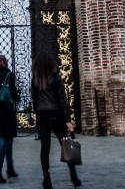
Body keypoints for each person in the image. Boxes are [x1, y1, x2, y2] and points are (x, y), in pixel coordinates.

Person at [31, 51, 81, 188]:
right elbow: (62, 100)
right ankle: (73, 176)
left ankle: (46, 178)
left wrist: (38, 113)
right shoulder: (56, 77)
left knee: (45, 148)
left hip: (42, 116)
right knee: (66, 145)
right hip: (56, 115)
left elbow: (34, 99)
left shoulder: (35, 79)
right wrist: (68, 120)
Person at [0, 54, 20, 184]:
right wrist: (18, 97)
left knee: (7, 139)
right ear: (5, 63)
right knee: (4, 140)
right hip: (8, 111)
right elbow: (13, 93)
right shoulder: (10, 75)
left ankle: (10, 168)